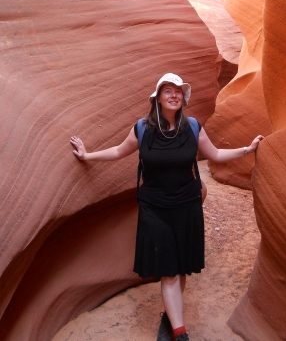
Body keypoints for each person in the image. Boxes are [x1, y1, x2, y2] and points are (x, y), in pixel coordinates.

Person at [70, 73, 264, 341]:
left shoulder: (193, 127)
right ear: (158, 98)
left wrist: (248, 149)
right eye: (167, 91)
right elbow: (118, 151)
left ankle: (170, 317)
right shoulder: (142, 128)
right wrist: (87, 154)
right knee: (169, 270)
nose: (174, 95)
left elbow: (216, 154)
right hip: (154, 207)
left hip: (187, 205)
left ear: (183, 98)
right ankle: (181, 334)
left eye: (178, 91)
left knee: (181, 266)